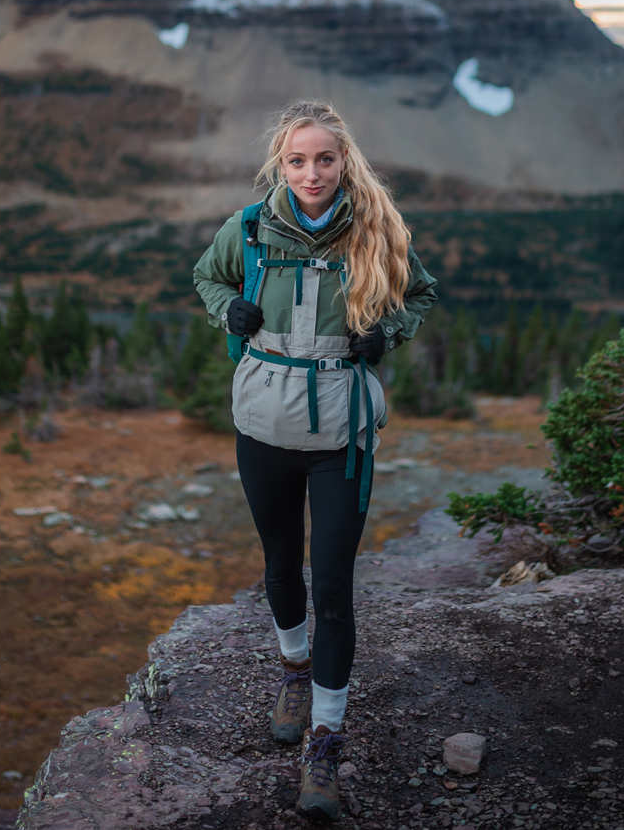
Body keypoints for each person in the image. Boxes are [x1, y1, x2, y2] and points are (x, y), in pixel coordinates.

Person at [193, 100, 437, 820]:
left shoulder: (376, 225)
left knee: (333, 584)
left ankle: (325, 744)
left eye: (324, 159)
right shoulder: (247, 228)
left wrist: (386, 332)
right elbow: (208, 277)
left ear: (343, 160)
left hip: (343, 434)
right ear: (281, 162)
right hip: (262, 425)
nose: (311, 173)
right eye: (297, 160)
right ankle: (293, 670)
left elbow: (418, 292)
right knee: (279, 565)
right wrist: (227, 311)